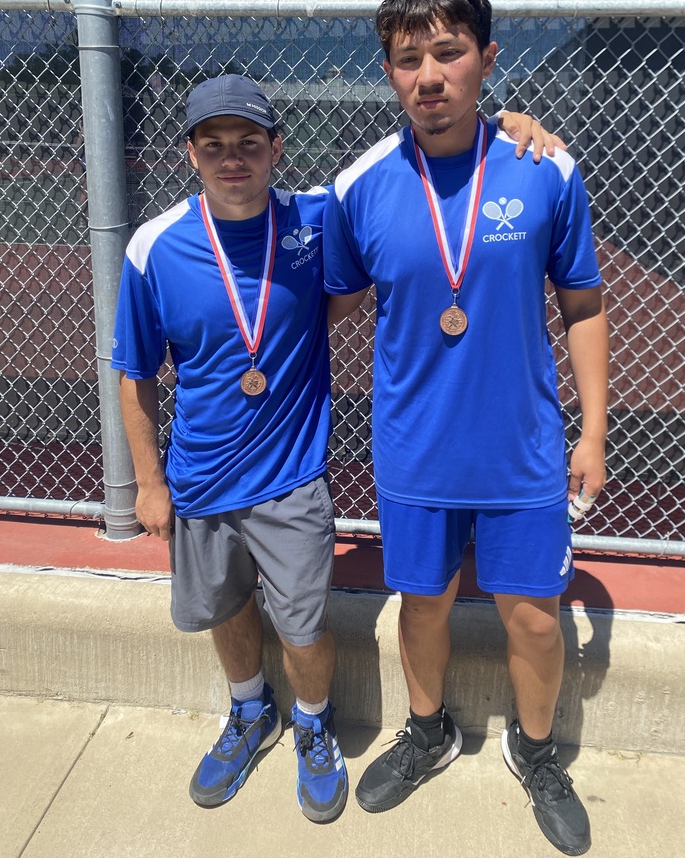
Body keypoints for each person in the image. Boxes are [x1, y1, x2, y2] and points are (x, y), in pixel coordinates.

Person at [111, 72, 557, 822]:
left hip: (291, 476)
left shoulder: (318, 218)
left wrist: (511, 119)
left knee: (304, 621)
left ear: (276, 149)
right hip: (199, 476)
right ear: (190, 154)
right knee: (226, 609)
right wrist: (148, 483)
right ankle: (250, 711)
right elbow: (134, 373)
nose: (232, 159)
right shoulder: (153, 246)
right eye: (213, 145)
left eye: (249, 144)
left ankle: (312, 724)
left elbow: (410, 159)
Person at [323, 0, 608, 856]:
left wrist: (594, 430)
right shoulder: (360, 185)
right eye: (408, 58)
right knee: (424, 606)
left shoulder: (543, 165)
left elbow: (585, 304)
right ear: (388, 72)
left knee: (531, 614)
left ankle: (535, 750)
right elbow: (315, 296)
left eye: (448, 52)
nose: (429, 75)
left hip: (522, 450)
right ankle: (429, 729)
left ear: (487, 58)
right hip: (415, 452)